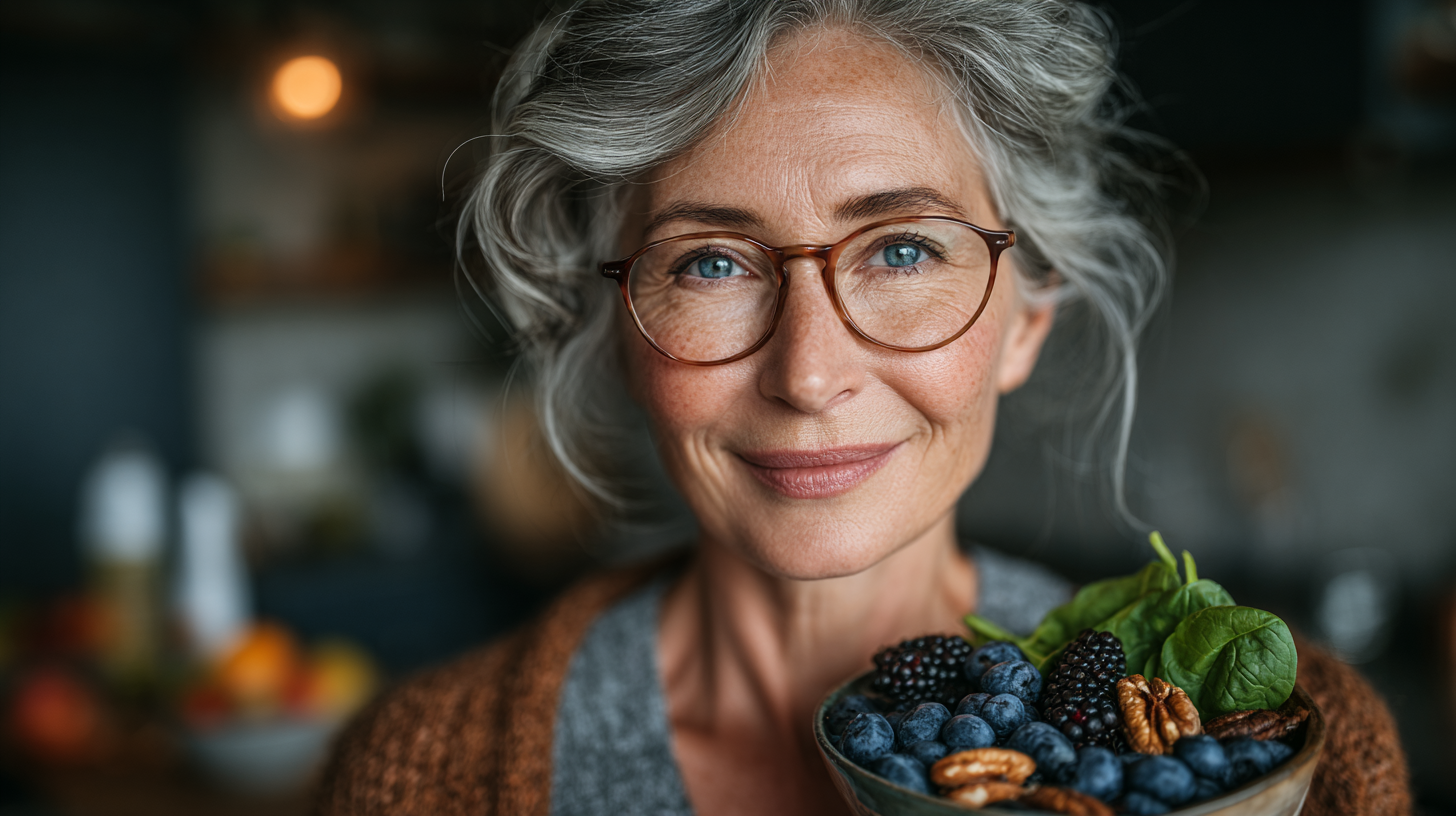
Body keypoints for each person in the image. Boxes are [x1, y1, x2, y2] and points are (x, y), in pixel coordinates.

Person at [316, 2, 1411, 814]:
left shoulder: (1300, 768)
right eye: (709, 262)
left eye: (901, 250)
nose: (807, 373)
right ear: (613, 324)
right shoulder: (424, 775)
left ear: (1027, 316)